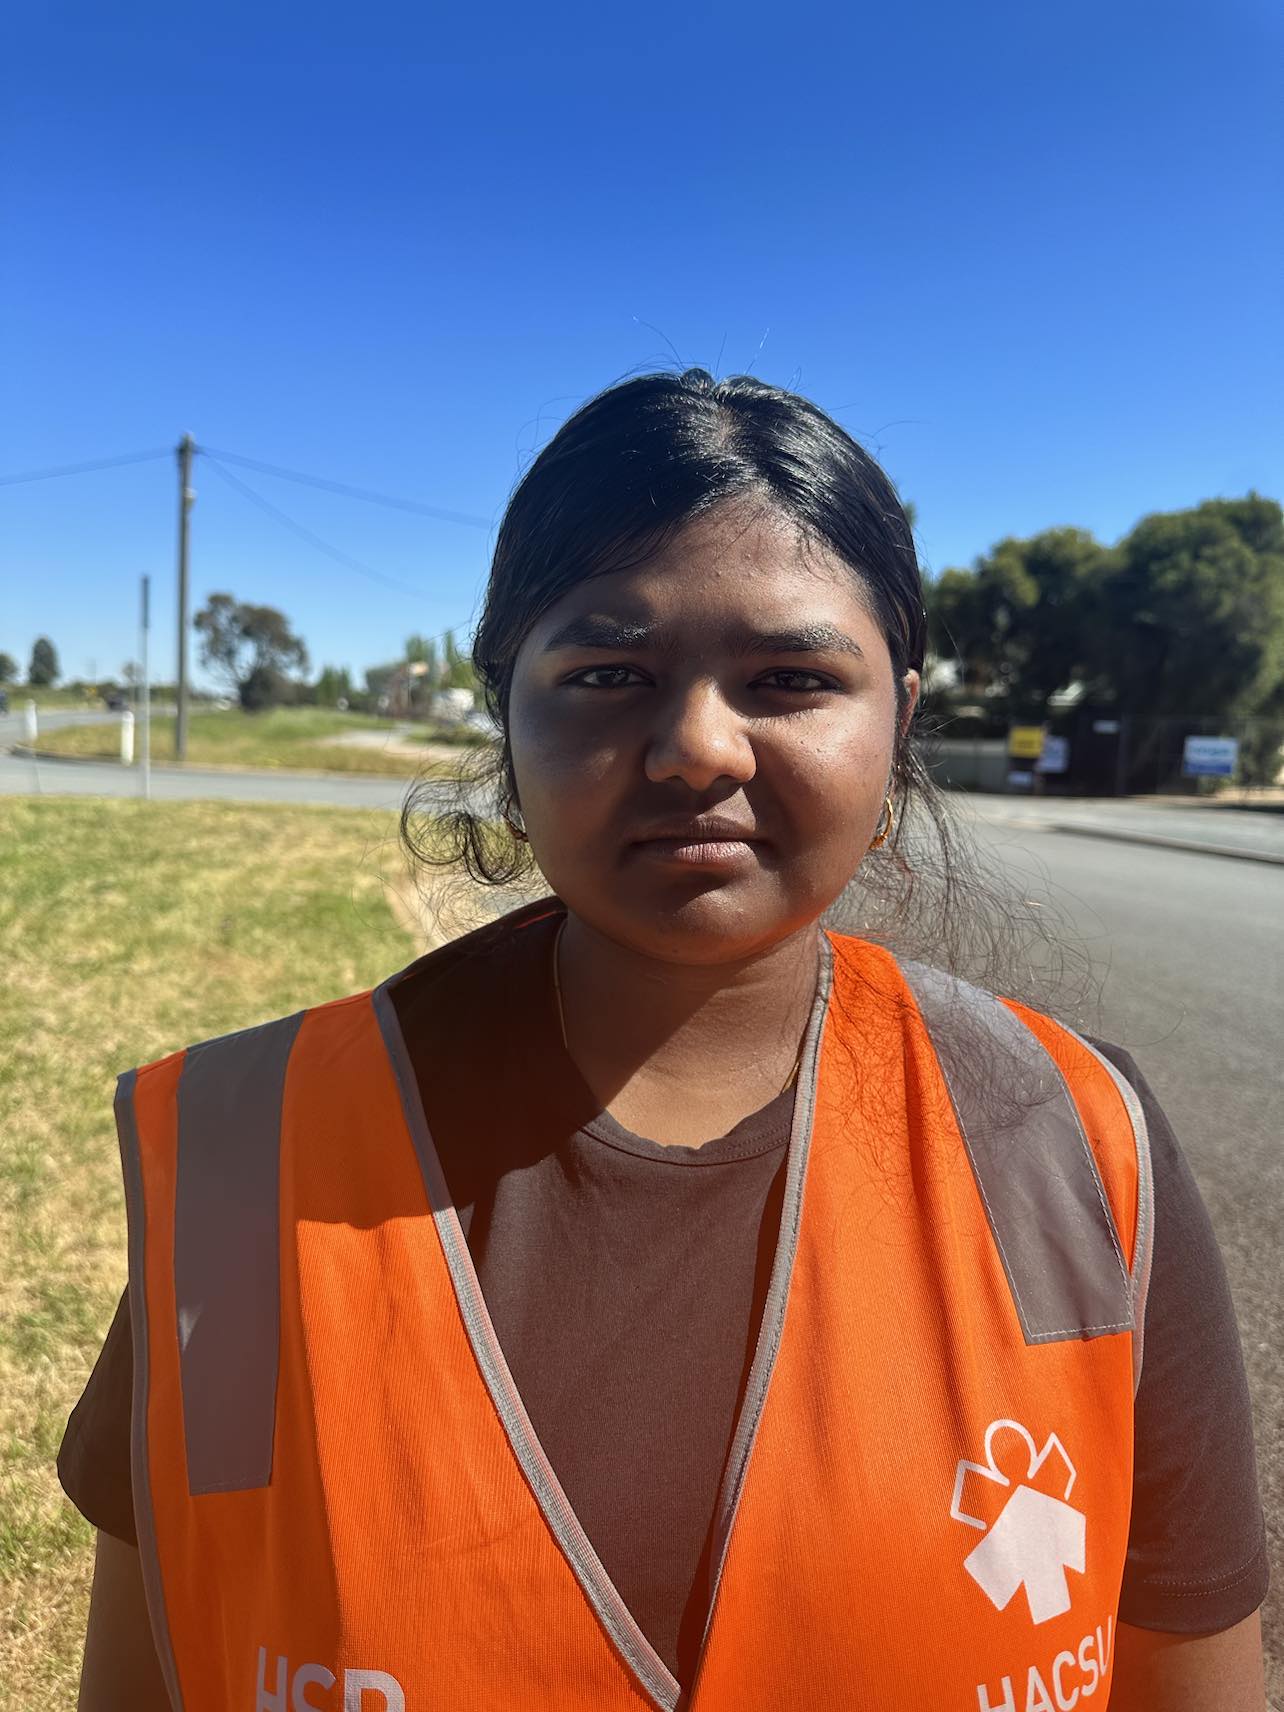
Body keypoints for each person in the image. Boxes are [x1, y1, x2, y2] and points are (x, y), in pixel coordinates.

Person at [63, 370, 1268, 1710]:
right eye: (610, 672)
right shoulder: (248, 1153)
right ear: (506, 713)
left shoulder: (1077, 1142)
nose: (698, 747)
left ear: (901, 718)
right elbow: (153, 1661)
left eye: (791, 678)